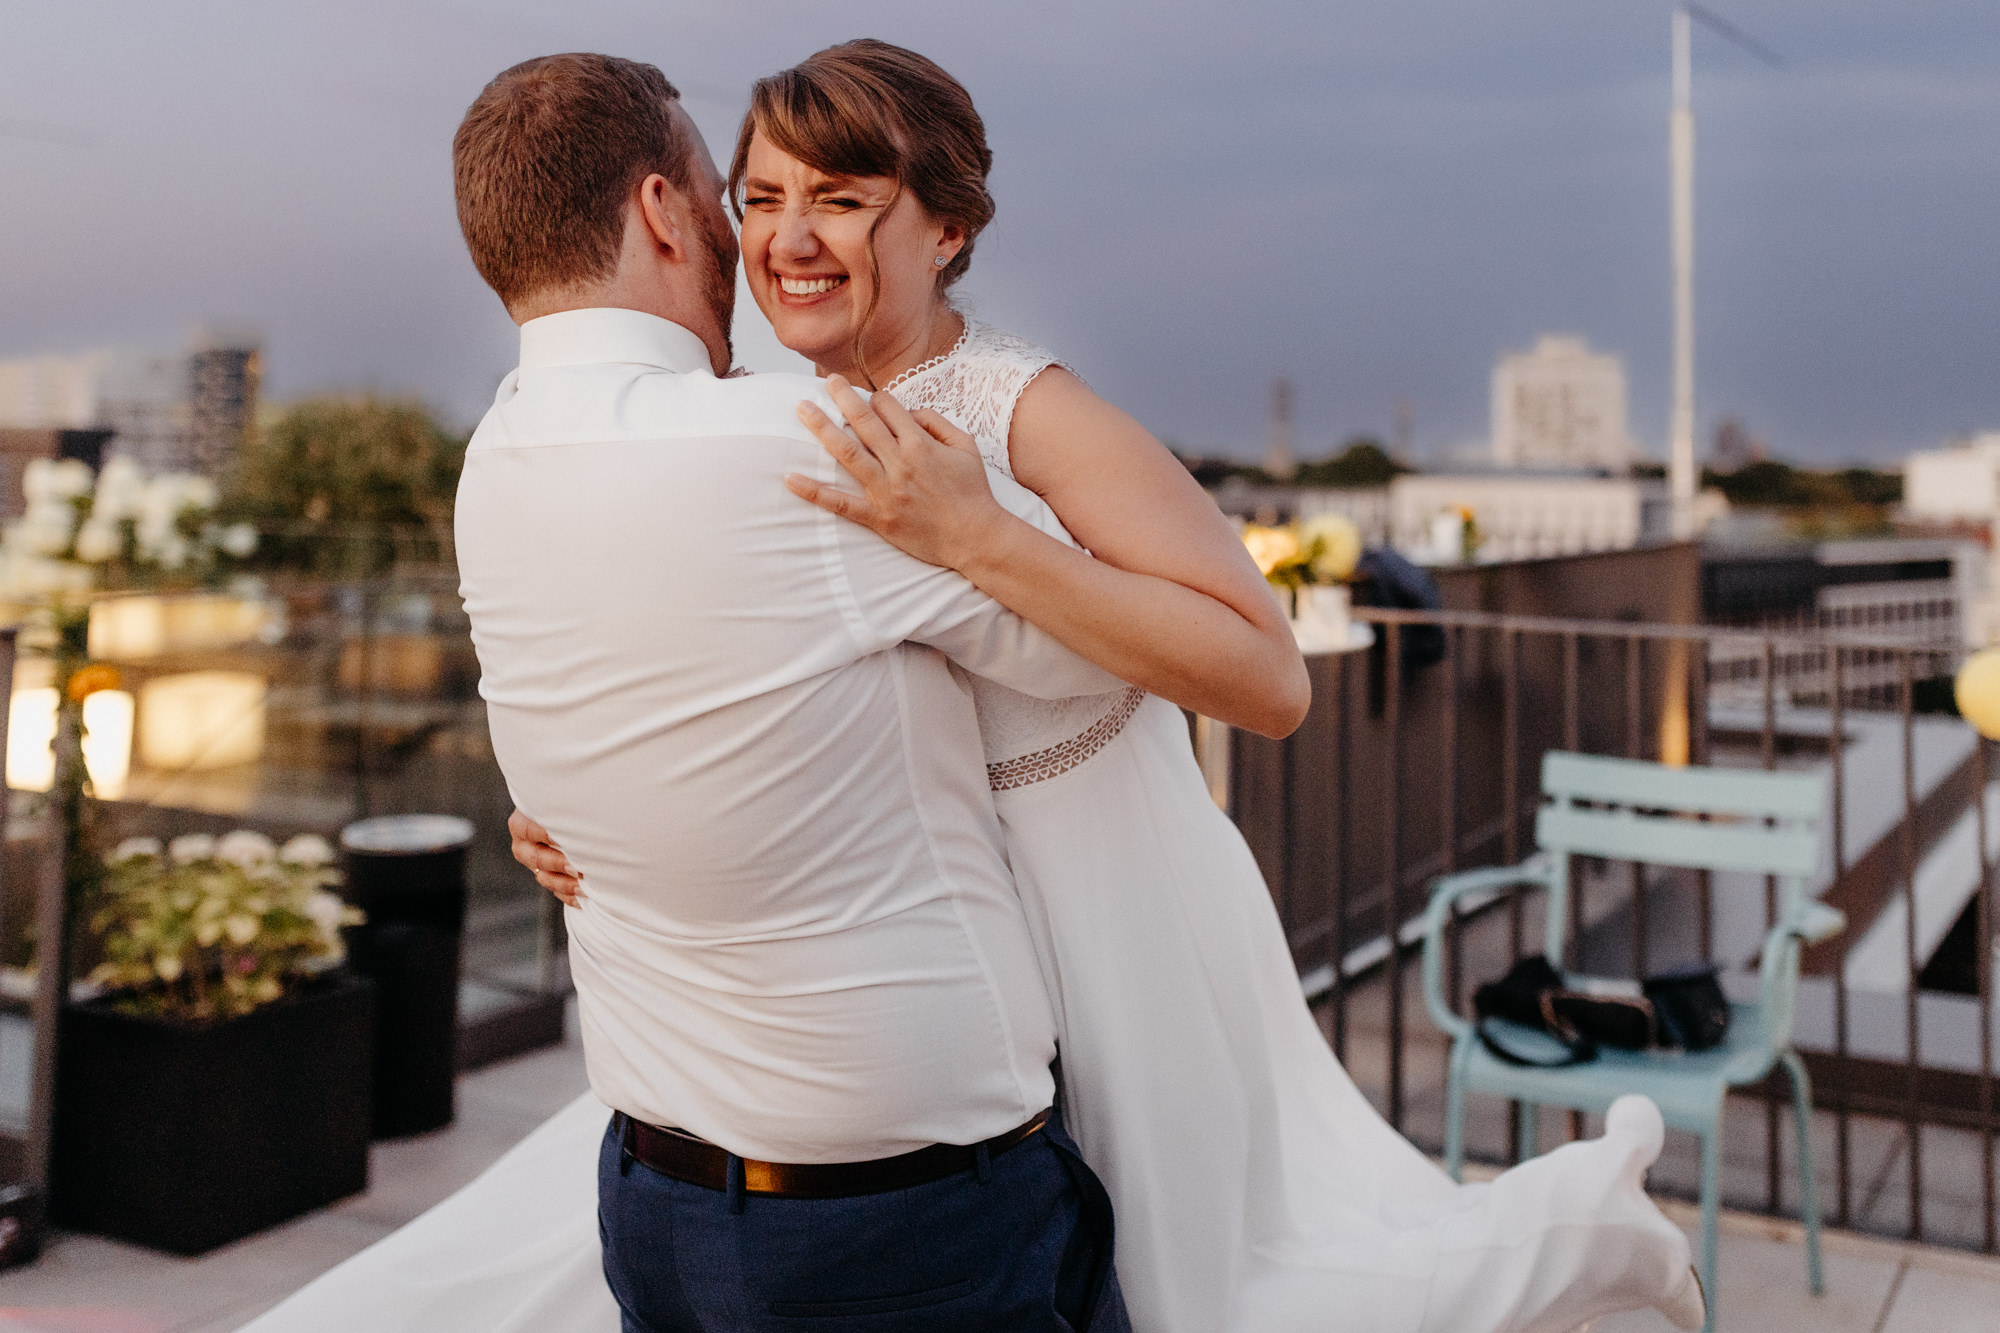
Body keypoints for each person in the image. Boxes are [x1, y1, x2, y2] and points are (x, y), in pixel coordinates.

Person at [254, 42, 1704, 1333]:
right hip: (924, 941)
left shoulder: (1022, 408)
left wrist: (979, 534)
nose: (783, 238)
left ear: (944, 229)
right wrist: (579, 809)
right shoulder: (750, 419)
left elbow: (1267, 677)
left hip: (1104, 895)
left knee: (1225, 1285)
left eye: (838, 198)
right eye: (756, 198)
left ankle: (1579, 1239)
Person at [250, 52, 1131, 1333]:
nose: (754, 236)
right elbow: (1093, 656)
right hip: (900, 1229)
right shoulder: (799, 448)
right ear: (665, 213)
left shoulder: (491, 459)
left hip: (655, 1209)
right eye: (731, 198)